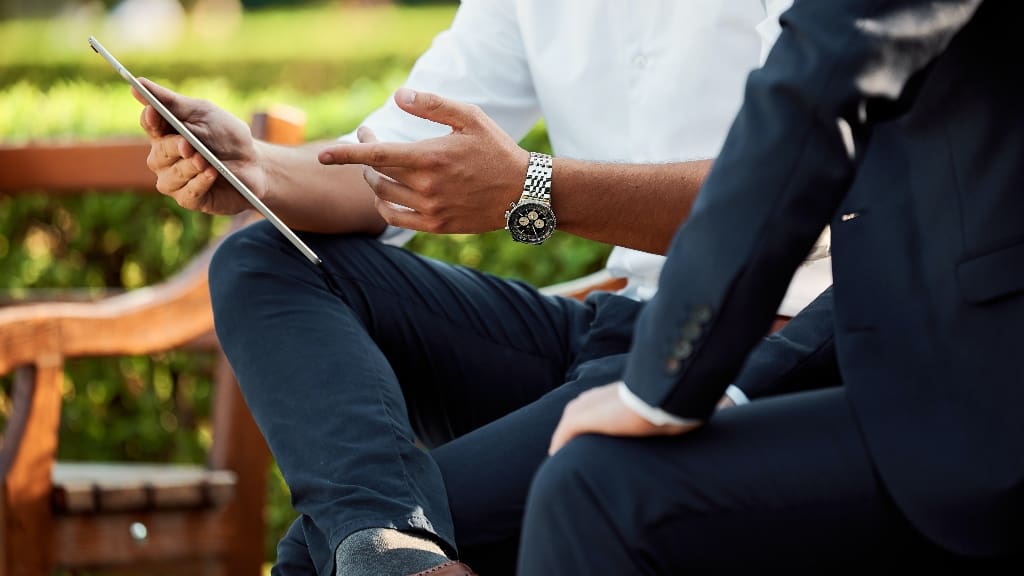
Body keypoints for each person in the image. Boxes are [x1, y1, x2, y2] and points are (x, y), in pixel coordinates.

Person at [135, 1, 829, 574]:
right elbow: (390, 161)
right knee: (262, 261)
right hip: (614, 325)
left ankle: (389, 546)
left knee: (317, 557)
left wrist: (532, 190)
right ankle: (393, 543)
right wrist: (255, 169)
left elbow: (792, 186)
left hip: (754, 343)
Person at [517, 0, 1024, 571]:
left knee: (593, 489)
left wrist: (663, 383)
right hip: (879, 359)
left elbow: (813, 92)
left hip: (976, 394)